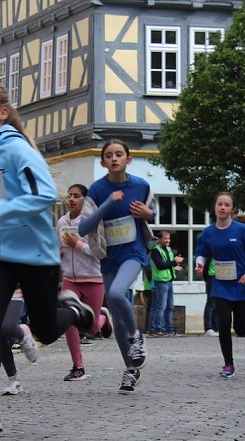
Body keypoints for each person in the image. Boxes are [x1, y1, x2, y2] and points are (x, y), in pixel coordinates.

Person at [0, 80, 93, 433]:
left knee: (45, 330)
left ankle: (74, 310)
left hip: (35, 254)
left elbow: (44, 195)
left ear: (2, 113)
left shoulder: (17, 150)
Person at [78, 139, 153, 394]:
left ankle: (136, 336)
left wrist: (148, 214)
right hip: (108, 256)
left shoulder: (141, 186)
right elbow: (83, 228)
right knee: (117, 318)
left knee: (116, 293)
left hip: (134, 251)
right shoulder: (97, 190)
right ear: (102, 162)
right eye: (109, 155)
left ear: (128, 159)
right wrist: (108, 202)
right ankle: (130, 369)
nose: (114, 158)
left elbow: (150, 214)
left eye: (119, 154)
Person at [194, 192, 245, 377]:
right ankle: (228, 364)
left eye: (226, 205)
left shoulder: (241, 230)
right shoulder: (208, 232)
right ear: (214, 207)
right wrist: (199, 264)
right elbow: (202, 252)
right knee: (223, 323)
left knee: (241, 328)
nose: (222, 208)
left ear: (232, 209)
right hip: (221, 284)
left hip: (241, 284)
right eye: (219, 204)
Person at [57, 183, 109, 381]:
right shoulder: (62, 222)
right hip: (70, 278)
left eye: (76, 195)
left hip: (93, 278)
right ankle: (78, 367)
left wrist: (76, 244)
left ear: (85, 200)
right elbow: (60, 246)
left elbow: (99, 252)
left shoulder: (92, 221)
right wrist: (60, 252)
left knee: (91, 328)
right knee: (69, 320)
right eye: (69, 195)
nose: (71, 199)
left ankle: (103, 319)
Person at [148, 231, 183, 337]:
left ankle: (169, 329)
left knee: (169, 306)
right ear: (159, 239)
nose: (168, 241)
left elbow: (167, 264)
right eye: (165, 239)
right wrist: (174, 262)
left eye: (169, 239)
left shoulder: (168, 249)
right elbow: (160, 265)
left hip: (169, 280)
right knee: (159, 306)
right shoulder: (155, 251)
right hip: (160, 281)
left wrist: (175, 266)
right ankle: (156, 329)